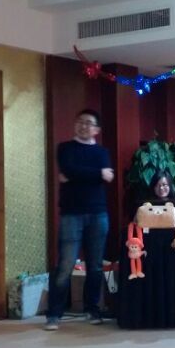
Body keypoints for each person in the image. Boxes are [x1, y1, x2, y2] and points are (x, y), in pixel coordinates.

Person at [45, 109, 114, 330]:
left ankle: (92, 309)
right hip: (71, 214)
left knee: (95, 266)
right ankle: (54, 314)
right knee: (65, 265)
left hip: (98, 214)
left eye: (89, 123)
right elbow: (69, 169)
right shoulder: (65, 148)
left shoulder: (102, 152)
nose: (84, 126)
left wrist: (75, 175)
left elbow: (80, 174)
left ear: (96, 129)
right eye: (80, 122)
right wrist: (98, 174)